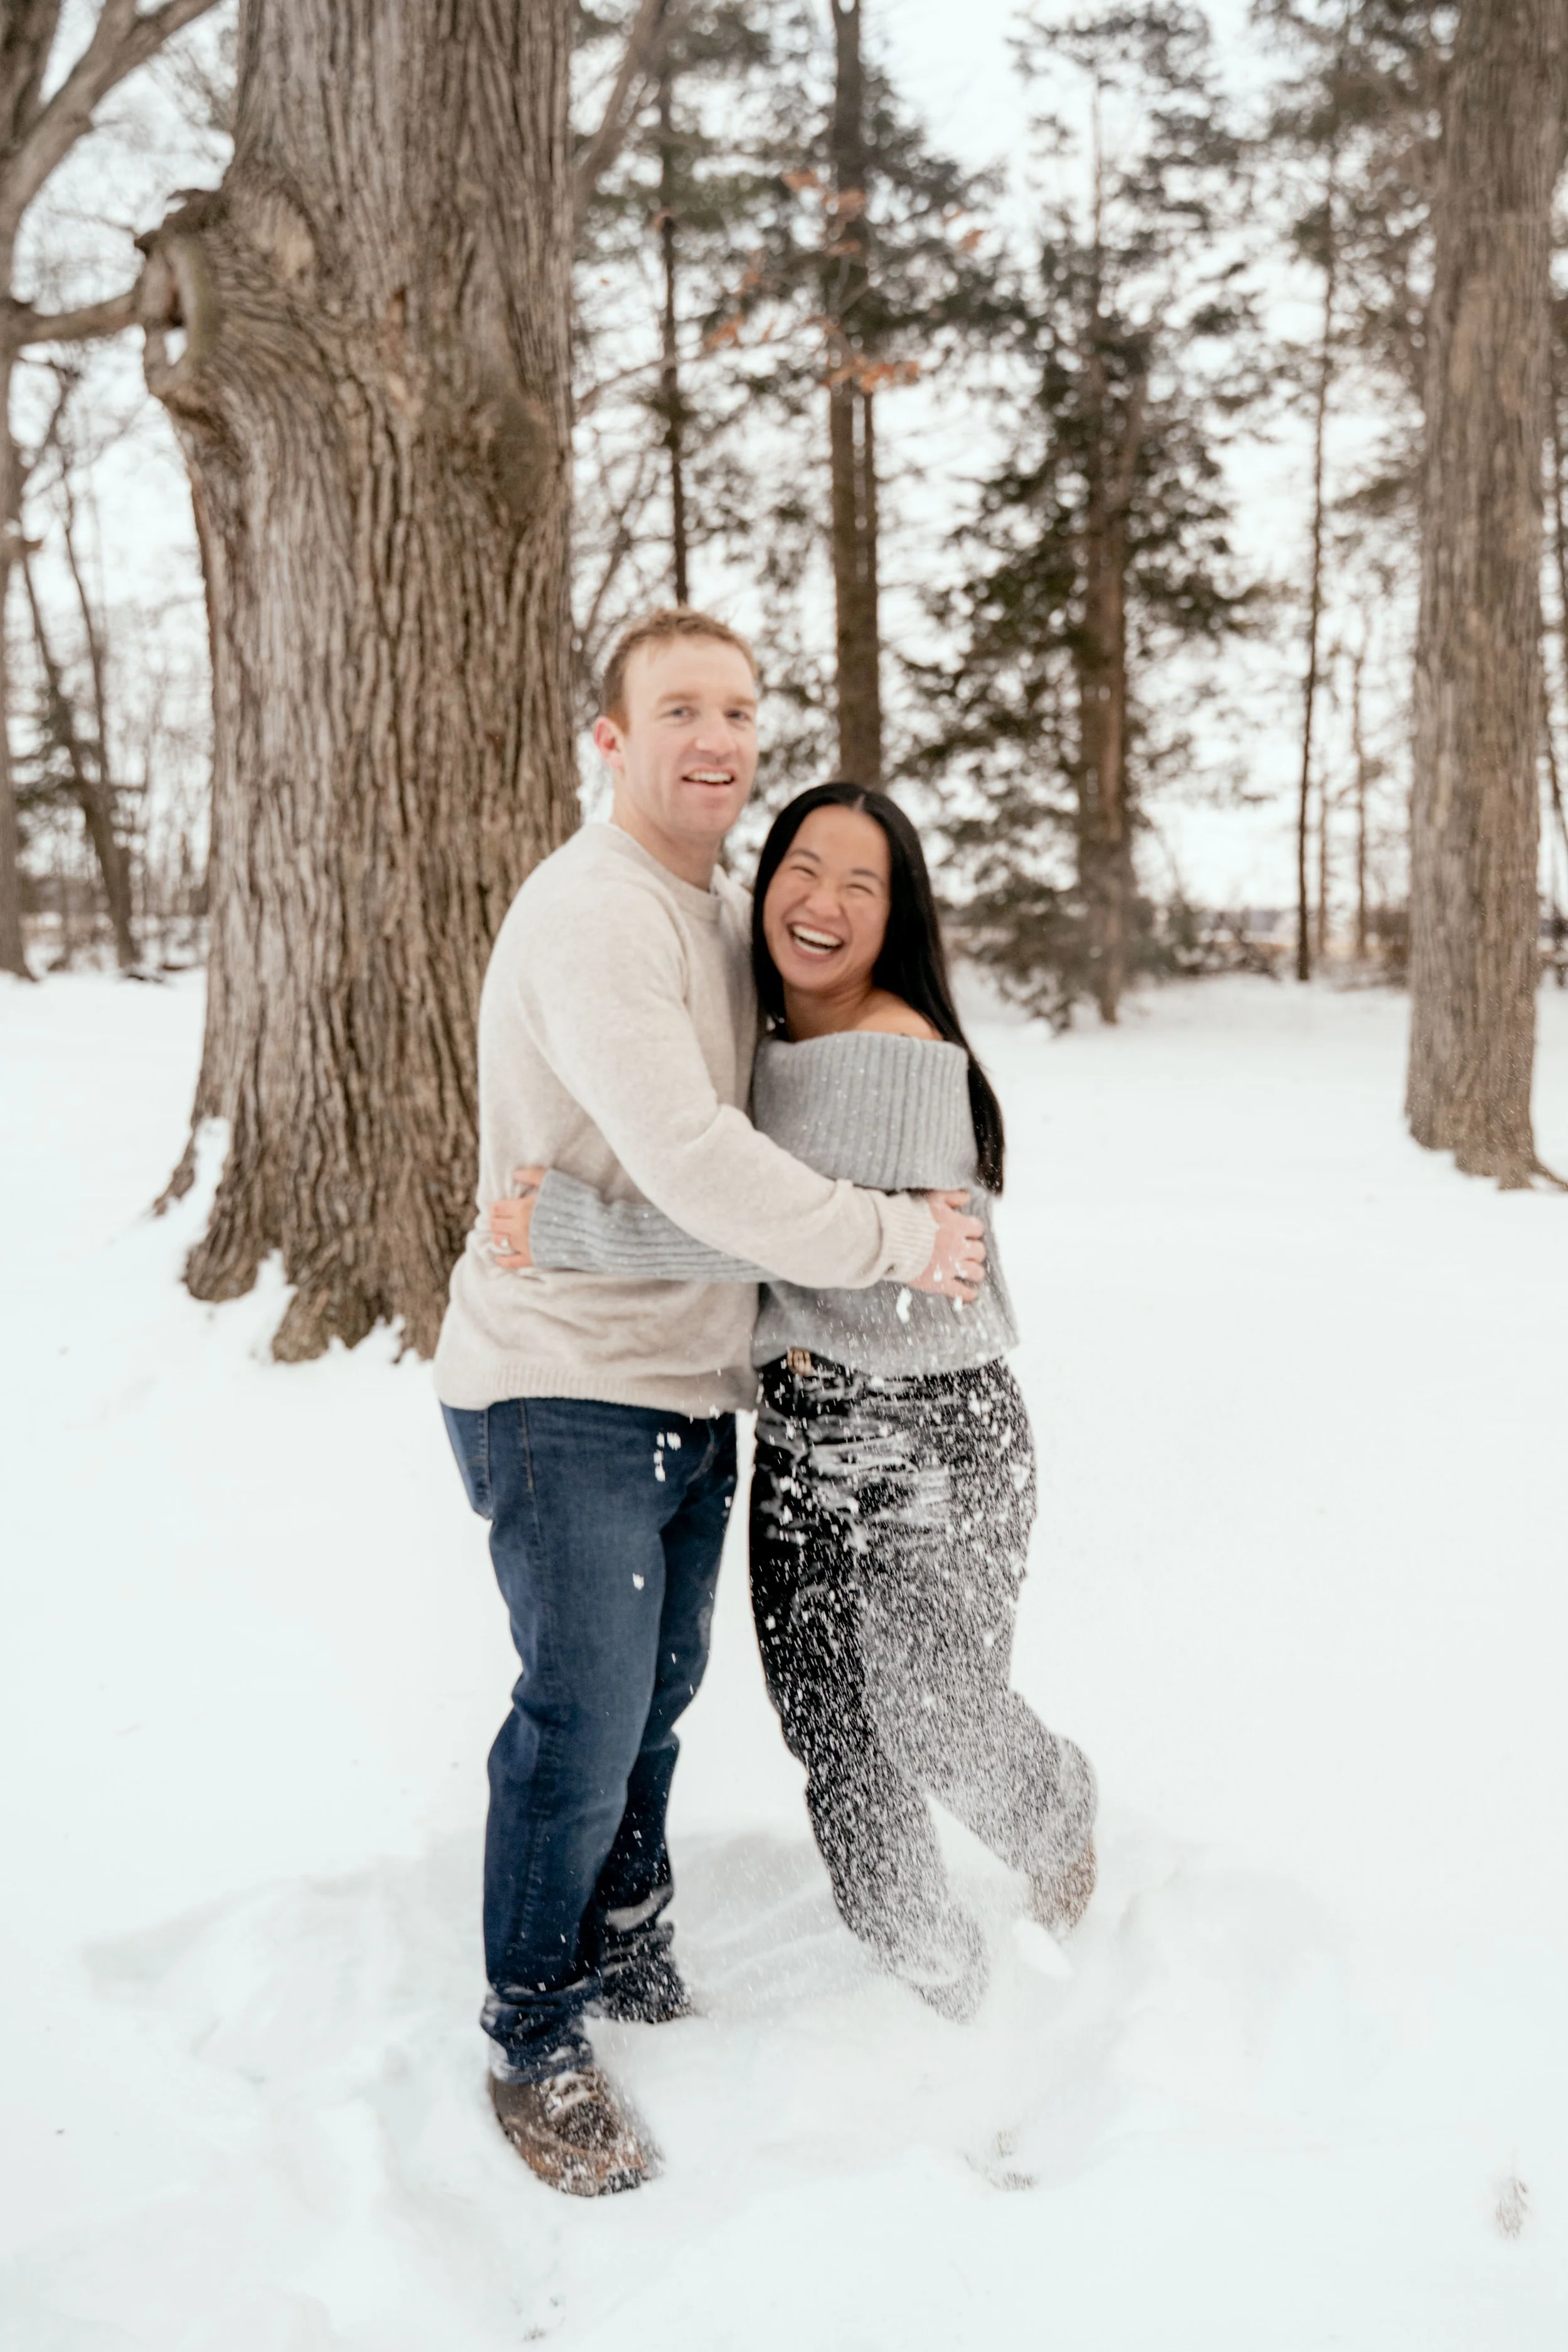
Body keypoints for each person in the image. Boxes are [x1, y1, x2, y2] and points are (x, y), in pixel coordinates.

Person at [433, 611, 986, 2199]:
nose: (717, 737)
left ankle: (624, 1939)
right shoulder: (596, 912)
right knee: (581, 1713)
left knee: (653, 1698)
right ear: (609, 739)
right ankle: (533, 2034)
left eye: (737, 709)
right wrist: (892, 1240)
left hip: (687, 1380)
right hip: (564, 1382)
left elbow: (763, 1143)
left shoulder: (718, 910)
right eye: (678, 708)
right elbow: (696, 1158)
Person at [492, 783, 1097, 2028]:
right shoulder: (761, 1044)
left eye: (860, 885)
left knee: (932, 1711)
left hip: (934, 1431)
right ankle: (935, 1977)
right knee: (835, 1733)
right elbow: (756, 1206)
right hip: (803, 1433)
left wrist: (571, 1229)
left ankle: (1056, 1817)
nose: (821, 903)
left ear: (897, 919)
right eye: (800, 870)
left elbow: (773, 1231)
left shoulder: (895, 1052)